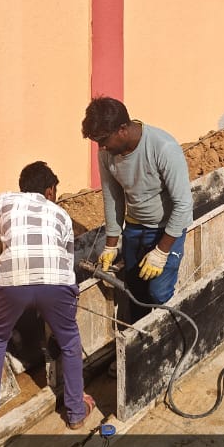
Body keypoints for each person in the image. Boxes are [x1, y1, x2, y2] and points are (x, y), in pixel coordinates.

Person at [0, 161, 92, 431]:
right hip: (56, 284)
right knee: (70, 342)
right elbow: (67, 261)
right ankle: (76, 414)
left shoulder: (0, 201)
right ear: (50, 191)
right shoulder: (61, 215)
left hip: (11, 284)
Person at [81, 98, 193, 320]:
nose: (101, 147)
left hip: (166, 229)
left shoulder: (163, 147)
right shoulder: (106, 154)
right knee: (135, 291)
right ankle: (140, 335)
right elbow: (112, 197)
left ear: (122, 129)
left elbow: (183, 204)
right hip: (134, 228)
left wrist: (161, 252)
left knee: (159, 293)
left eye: (103, 141)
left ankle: (170, 332)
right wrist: (111, 245)